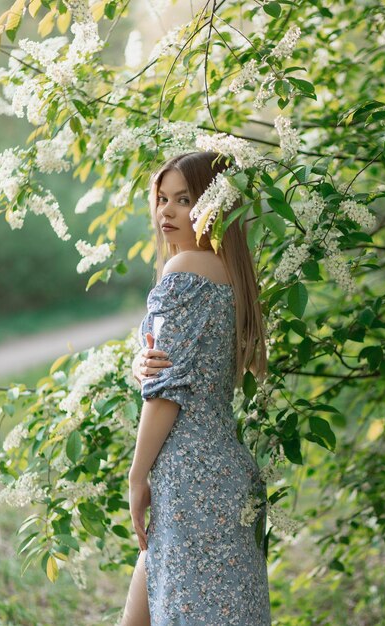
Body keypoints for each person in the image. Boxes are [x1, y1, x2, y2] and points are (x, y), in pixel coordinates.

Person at [120, 151, 271, 626]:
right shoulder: (235, 276)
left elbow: (167, 393)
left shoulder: (184, 269)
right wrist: (138, 363)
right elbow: (168, 367)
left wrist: (137, 475)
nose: (166, 211)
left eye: (183, 200)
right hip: (224, 468)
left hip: (187, 477)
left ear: (215, 207)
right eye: (162, 199)